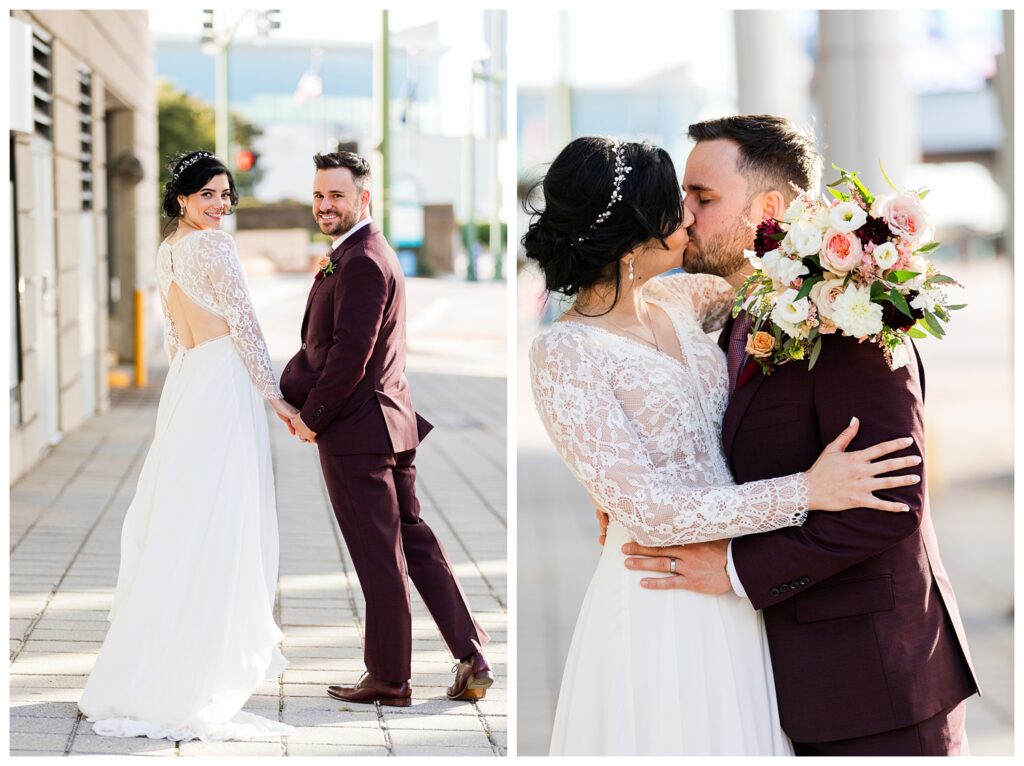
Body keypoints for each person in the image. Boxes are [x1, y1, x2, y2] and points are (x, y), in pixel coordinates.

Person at [526, 136, 926, 756]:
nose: (688, 214)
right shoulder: (563, 353)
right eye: (675, 203)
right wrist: (807, 491)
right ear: (637, 232)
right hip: (661, 590)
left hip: (735, 592)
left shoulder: (684, 299)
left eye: (696, 198)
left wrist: (855, 258)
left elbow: (778, 284)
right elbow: (653, 512)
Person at [614, 115, 979, 756]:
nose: (684, 216)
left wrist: (732, 569)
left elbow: (891, 502)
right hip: (772, 683)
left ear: (769, 208)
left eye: (703, 199)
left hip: (876, 685)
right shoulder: (733, 315)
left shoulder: (852, 311)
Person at [79, 151, 297, 741]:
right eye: (208, 195)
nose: (220, 205)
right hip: (222, 382)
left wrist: (184, 387)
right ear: (183, 198)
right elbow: (245, 322)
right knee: (220, 518)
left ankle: (150, 662)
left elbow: (174, 335)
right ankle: (193, 668)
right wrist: (275, 397)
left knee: (179, 517)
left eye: (226, 195)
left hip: (189, 384)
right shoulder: (215, 248)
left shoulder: (168, 249)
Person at [278, 151, 492, 707]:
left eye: (337, 196)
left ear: (363, 199)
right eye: (319, 195)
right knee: (415, 544)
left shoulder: (364, 260)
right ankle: (472, 656)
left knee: (380, 555)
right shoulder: (360, 254)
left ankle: (390, 679)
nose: (326, 205)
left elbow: (351, 355)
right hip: (387, 426)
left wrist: (310, 419)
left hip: (357, 433)